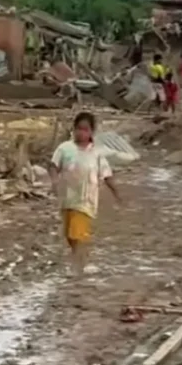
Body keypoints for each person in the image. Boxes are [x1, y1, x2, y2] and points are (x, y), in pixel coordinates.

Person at [49, 112, 121, 276]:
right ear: (73, 129)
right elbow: (53, 165)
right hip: (67, 199)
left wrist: (116, 193)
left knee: (77, 232)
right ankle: (81, 258)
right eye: (78, 129)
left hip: (85, 201)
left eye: (85, 129)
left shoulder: (96, 153)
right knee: (69, 235)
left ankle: (77, 267)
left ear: (92, 132)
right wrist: (54, 181)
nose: (81, 133)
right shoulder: (65, 148)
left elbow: (107, 174)